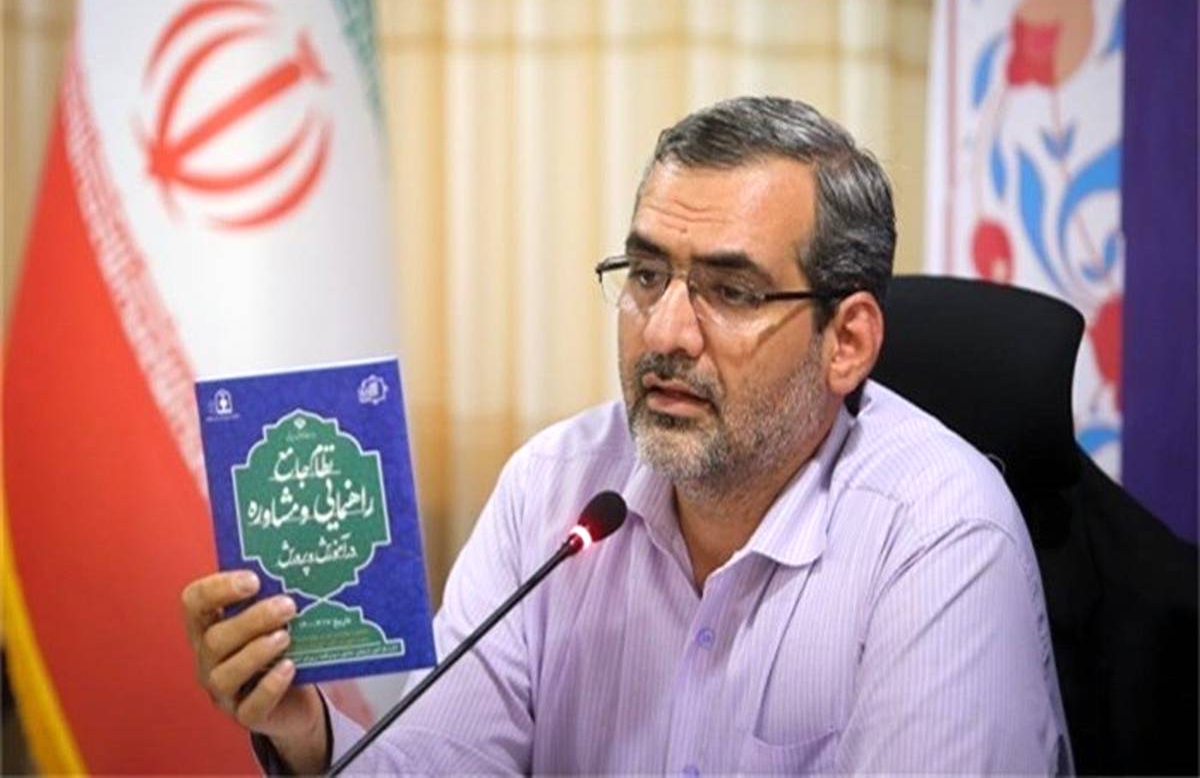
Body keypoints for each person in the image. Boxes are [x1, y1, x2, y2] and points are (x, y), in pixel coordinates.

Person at [182, 96, 1072, 774]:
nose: (665, 332)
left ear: (846, 342)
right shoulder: (554, 489)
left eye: (732, 291)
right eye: (647, 275)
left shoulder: (941, 534)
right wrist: (308, 735)